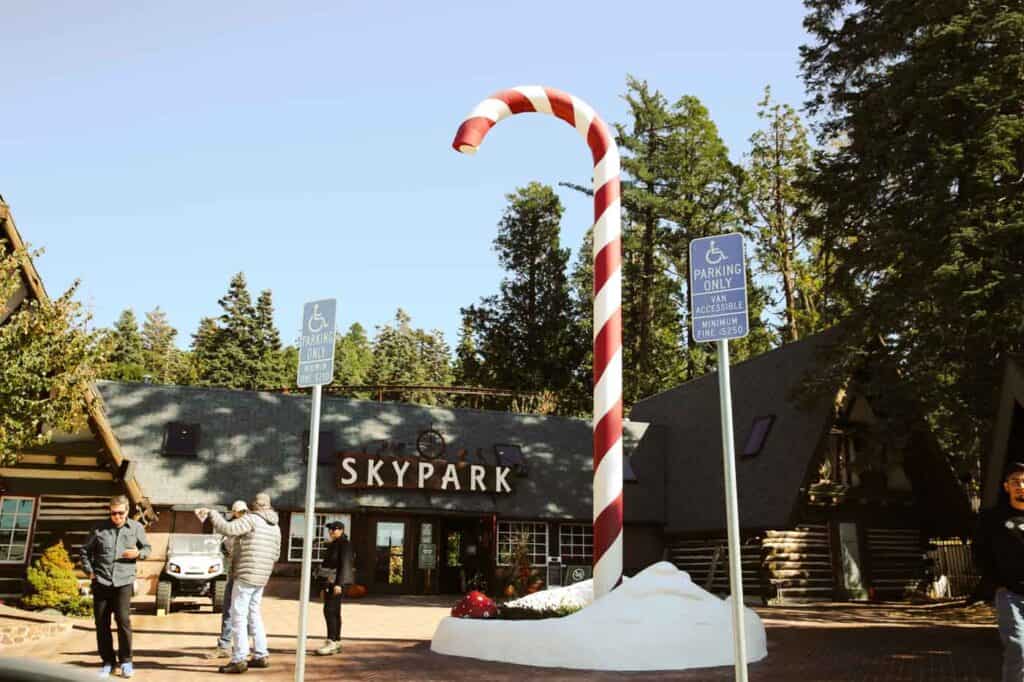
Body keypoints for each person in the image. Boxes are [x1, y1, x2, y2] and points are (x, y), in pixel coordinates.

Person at [198, 493, 280, 675]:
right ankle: (260, 654)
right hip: (262, 577)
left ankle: (239, 658)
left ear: (254, 506)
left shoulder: (252, 520)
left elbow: (227, 528)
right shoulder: (275, 526)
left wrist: (212, 513)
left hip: (245, 574)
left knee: (238, 615)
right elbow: (276, 554)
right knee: (254, 613)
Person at [81, 495, 151, 679]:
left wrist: (138, 553)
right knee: (102, 624)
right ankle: (108, 662)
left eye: (120, 513)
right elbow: (85, 552)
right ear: (109, 511)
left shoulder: (136, 528)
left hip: (123, 582)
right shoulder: (98, 529)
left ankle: (126, 661)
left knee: (123, 621)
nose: (117, 517)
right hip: (102, 582)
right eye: (113, 513)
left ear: (127, 511)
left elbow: (147, 549)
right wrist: (89, 571)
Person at [975, 460, 1024, 682]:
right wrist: (996, 583)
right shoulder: (993, 519)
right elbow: (980, 553)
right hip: (1010, 594)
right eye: (1015, 481)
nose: (1020, 485)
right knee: (1018, 648)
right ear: (1006, 487)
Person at [207, 500, 252, 660]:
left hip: (242, 574)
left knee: (236, 610)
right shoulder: (241, 525)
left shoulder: (245, 526)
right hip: (240, 573)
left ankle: (233, 646)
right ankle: (229, 645)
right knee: (236, 609)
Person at [316, 520, 354, 656]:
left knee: (330, 611)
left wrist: (339, 583)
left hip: (336, 582)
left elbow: (345, 564)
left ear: (342, 530)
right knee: (334, 611)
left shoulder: (344, 544)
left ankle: (331, 641)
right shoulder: (335, 544)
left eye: (335, 529)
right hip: (330, 581)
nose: (332, 531)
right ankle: (336, 641)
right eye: (330, 529)